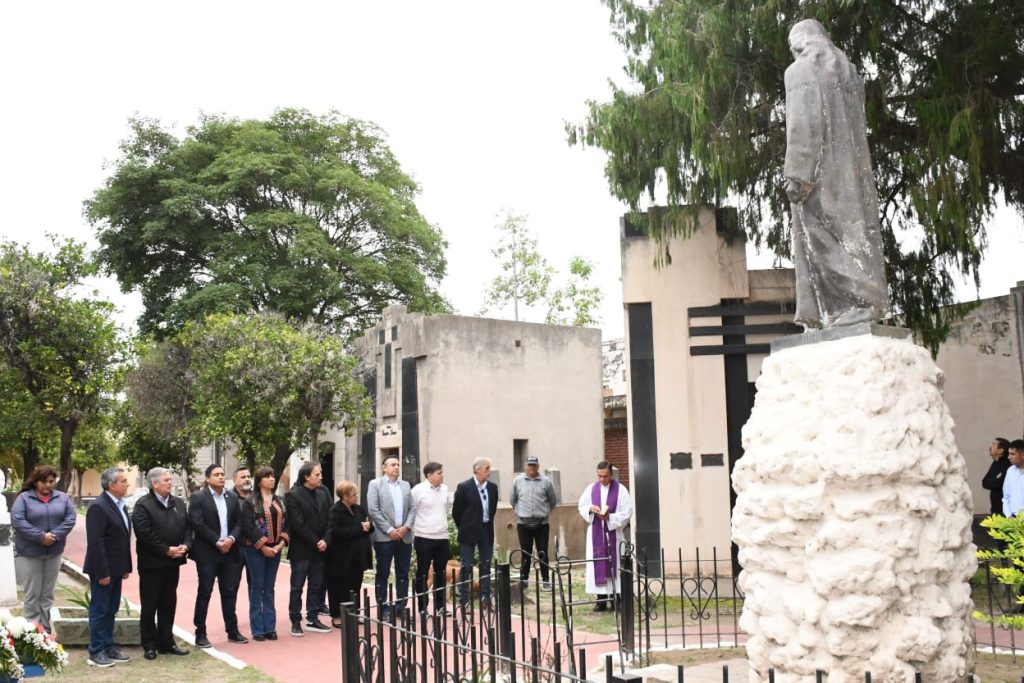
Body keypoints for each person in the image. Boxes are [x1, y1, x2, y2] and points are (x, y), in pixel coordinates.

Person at [784, 18, 889, 329]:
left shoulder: (800, 71)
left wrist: (798, 173)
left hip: (819, 175)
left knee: (820, 237)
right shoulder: (849, 76)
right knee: (847, 236)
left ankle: (853, 305)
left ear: (799, 42)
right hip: (851, 177)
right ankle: (856, 306)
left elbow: (803, 124)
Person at [132, 467, 192, 660]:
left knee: (168, 603)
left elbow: (188, 528)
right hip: (152, 564)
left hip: (173, 563)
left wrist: (186, 545)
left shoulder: (178, 503)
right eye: (166, 480)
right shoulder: (143, 505)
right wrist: (166, 549)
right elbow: (144, 533)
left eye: (170, 479)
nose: (170, 482)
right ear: (154, 483)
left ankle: (167, 641)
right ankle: (149, 644)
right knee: (150, 604)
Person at [11, 465, 76, 633]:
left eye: (51, 481)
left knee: (47, 594)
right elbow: (18, 520)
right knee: (32, 595)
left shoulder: (62, 498)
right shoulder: (24, 498)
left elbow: (70, 518)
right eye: (44, 482)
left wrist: (53, 535)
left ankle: (45, 632)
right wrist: (40, 536)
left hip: (54, 552)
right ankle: (32, 633)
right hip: (29, 553)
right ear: (36, 482)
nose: (48, 485)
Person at [188, 463, 246, 648]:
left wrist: (230, 539)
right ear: (207, 479)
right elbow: (198, 523)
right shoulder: (198, 497)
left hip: (230, 552)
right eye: (216, 474)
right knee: (205, 592)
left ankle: (232, 630)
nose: (221, 477)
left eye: (222, 474)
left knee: (229, 592)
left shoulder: (231, 497)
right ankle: (200, 633)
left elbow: (239, 522)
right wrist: (217, 541)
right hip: (208, 552)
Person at [82, 467, 133, 668]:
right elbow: (96, 543)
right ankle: (95, 651)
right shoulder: (99, 507)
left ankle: (108, 646)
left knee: (111, 609)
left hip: (117, 568)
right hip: (103, 570)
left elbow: (122, 538)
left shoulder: (120, 505)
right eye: (123, 481)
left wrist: (125, 566)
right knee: (100, 610)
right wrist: (103, 572)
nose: (127, 484)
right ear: (112, 485)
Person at [240, 466, 288, 641]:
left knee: (269, 587)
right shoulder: (250, 501)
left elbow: (287, 524)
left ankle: (270, 627)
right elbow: (247, 526)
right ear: (259, 481)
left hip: (276, 549)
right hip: (255, 549)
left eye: (273, 476)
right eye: (267, 476)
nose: (271, 479)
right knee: (257, 587)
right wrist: (263, 546)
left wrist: (282, 543)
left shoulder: (280, 501)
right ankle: (257, 629)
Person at [284, 461, 333, 636]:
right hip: (302, 549)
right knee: (297, 586)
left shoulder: (322, 493)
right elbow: (298, 525)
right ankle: (295, 620)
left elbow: (330, 518)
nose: (321, 477)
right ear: (306, 477)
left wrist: (326, 540)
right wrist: (316, 542)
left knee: (317, 584)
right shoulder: (292, 495)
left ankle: (313, 617)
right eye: (317, 474)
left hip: (321, 548)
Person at [577, 461, 633, 612]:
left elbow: (627, 512)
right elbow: (581, 506)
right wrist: (591, 509)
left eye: (605, 476)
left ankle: (617, 599)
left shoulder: (621, 490)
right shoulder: (591, 489)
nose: (602, 479)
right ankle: (601, 600)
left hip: (613, 533)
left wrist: (610, 517)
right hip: (596, 533)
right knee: (597, 564)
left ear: (611, 474)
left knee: (614, 567)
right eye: (599, 476)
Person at [366, 456, 415, 621]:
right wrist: (389, 529)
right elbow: (373, 510)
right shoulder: (375, 484)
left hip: (404, 536)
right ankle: (383, 608)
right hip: (384, 537)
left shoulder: (406, 485)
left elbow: (413, 509)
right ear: (384, 468)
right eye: (393, 465)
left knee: (403, 573)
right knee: (383, 573)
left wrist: (406, 527)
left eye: (398, 465)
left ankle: (401, 607)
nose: (396, 467)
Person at [452, 457, 498, 606]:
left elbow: (493, 510)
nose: (489, 472)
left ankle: (485, 597)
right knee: (466, 566)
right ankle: (464, 599)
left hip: (486, 531)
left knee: (485, 564)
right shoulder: (464, 487)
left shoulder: (492, 488)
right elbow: (456, 512)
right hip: (469, 531)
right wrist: (465, 526)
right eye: (487, 468)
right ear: (477, 469)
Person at [327, 481, 373, 627]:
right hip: (341, 556)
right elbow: (336, 532)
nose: (356, 496)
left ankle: (354, 612)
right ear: (345, 496)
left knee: (355, 585)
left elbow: (369, 526)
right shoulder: (336, 510)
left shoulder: (359, 509)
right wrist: (360, 528)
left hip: (358, 556)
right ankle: (337, 615)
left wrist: (368, 526)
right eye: (353, 494)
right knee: (339, 586)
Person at [509, 455, 558, 590]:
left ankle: (546, 580)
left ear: (538, 466)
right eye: (529, 465)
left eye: (534, 465)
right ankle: (524, 579)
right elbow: (513, 500)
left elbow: (553, 501)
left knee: (542, 551)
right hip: (523, 523)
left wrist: (544, 512)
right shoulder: (517, 481)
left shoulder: (546, 482)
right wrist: (521, 512)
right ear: (525, 466)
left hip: (542, 523)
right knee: (525, 552)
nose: (531, 468)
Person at [410, 462, 449, 614]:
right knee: (423, 573)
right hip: (423, 537)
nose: (442, 475)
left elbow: (445, 509)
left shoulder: (445, 489)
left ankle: (440, 606)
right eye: (439, 473)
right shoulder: (418, 490)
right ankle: (422, 606)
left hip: (442, 537)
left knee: (441, 573)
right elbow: (411, 512)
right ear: (429, 475)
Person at [232, 466, 253, 593]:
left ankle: (255, 613)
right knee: (232, 586)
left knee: (255, 586)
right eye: (243, 477)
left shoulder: (257, 498)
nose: (247, 480)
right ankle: (230, 613)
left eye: (248, 477)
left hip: (255, 548)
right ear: (235, 481)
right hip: (235, 549)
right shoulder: (228, 497)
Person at [982, 438, 1012, 516]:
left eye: (994, 444)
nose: (990, 447)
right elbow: (984, 482)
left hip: (1006, 511)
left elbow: (999, 483)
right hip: (995, 509)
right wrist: (995, 480)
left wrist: (994, 480)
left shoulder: (1007, 464)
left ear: (1000, 450)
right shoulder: (995, 463)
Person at [1003, 441, 1024, 518]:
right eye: (1009, 454)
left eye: (1012, 454)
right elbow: (1006, 497)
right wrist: (1009, 515)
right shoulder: (1010, 471)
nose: (1009, 457)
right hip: (1013, 519)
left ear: (1023, 455)